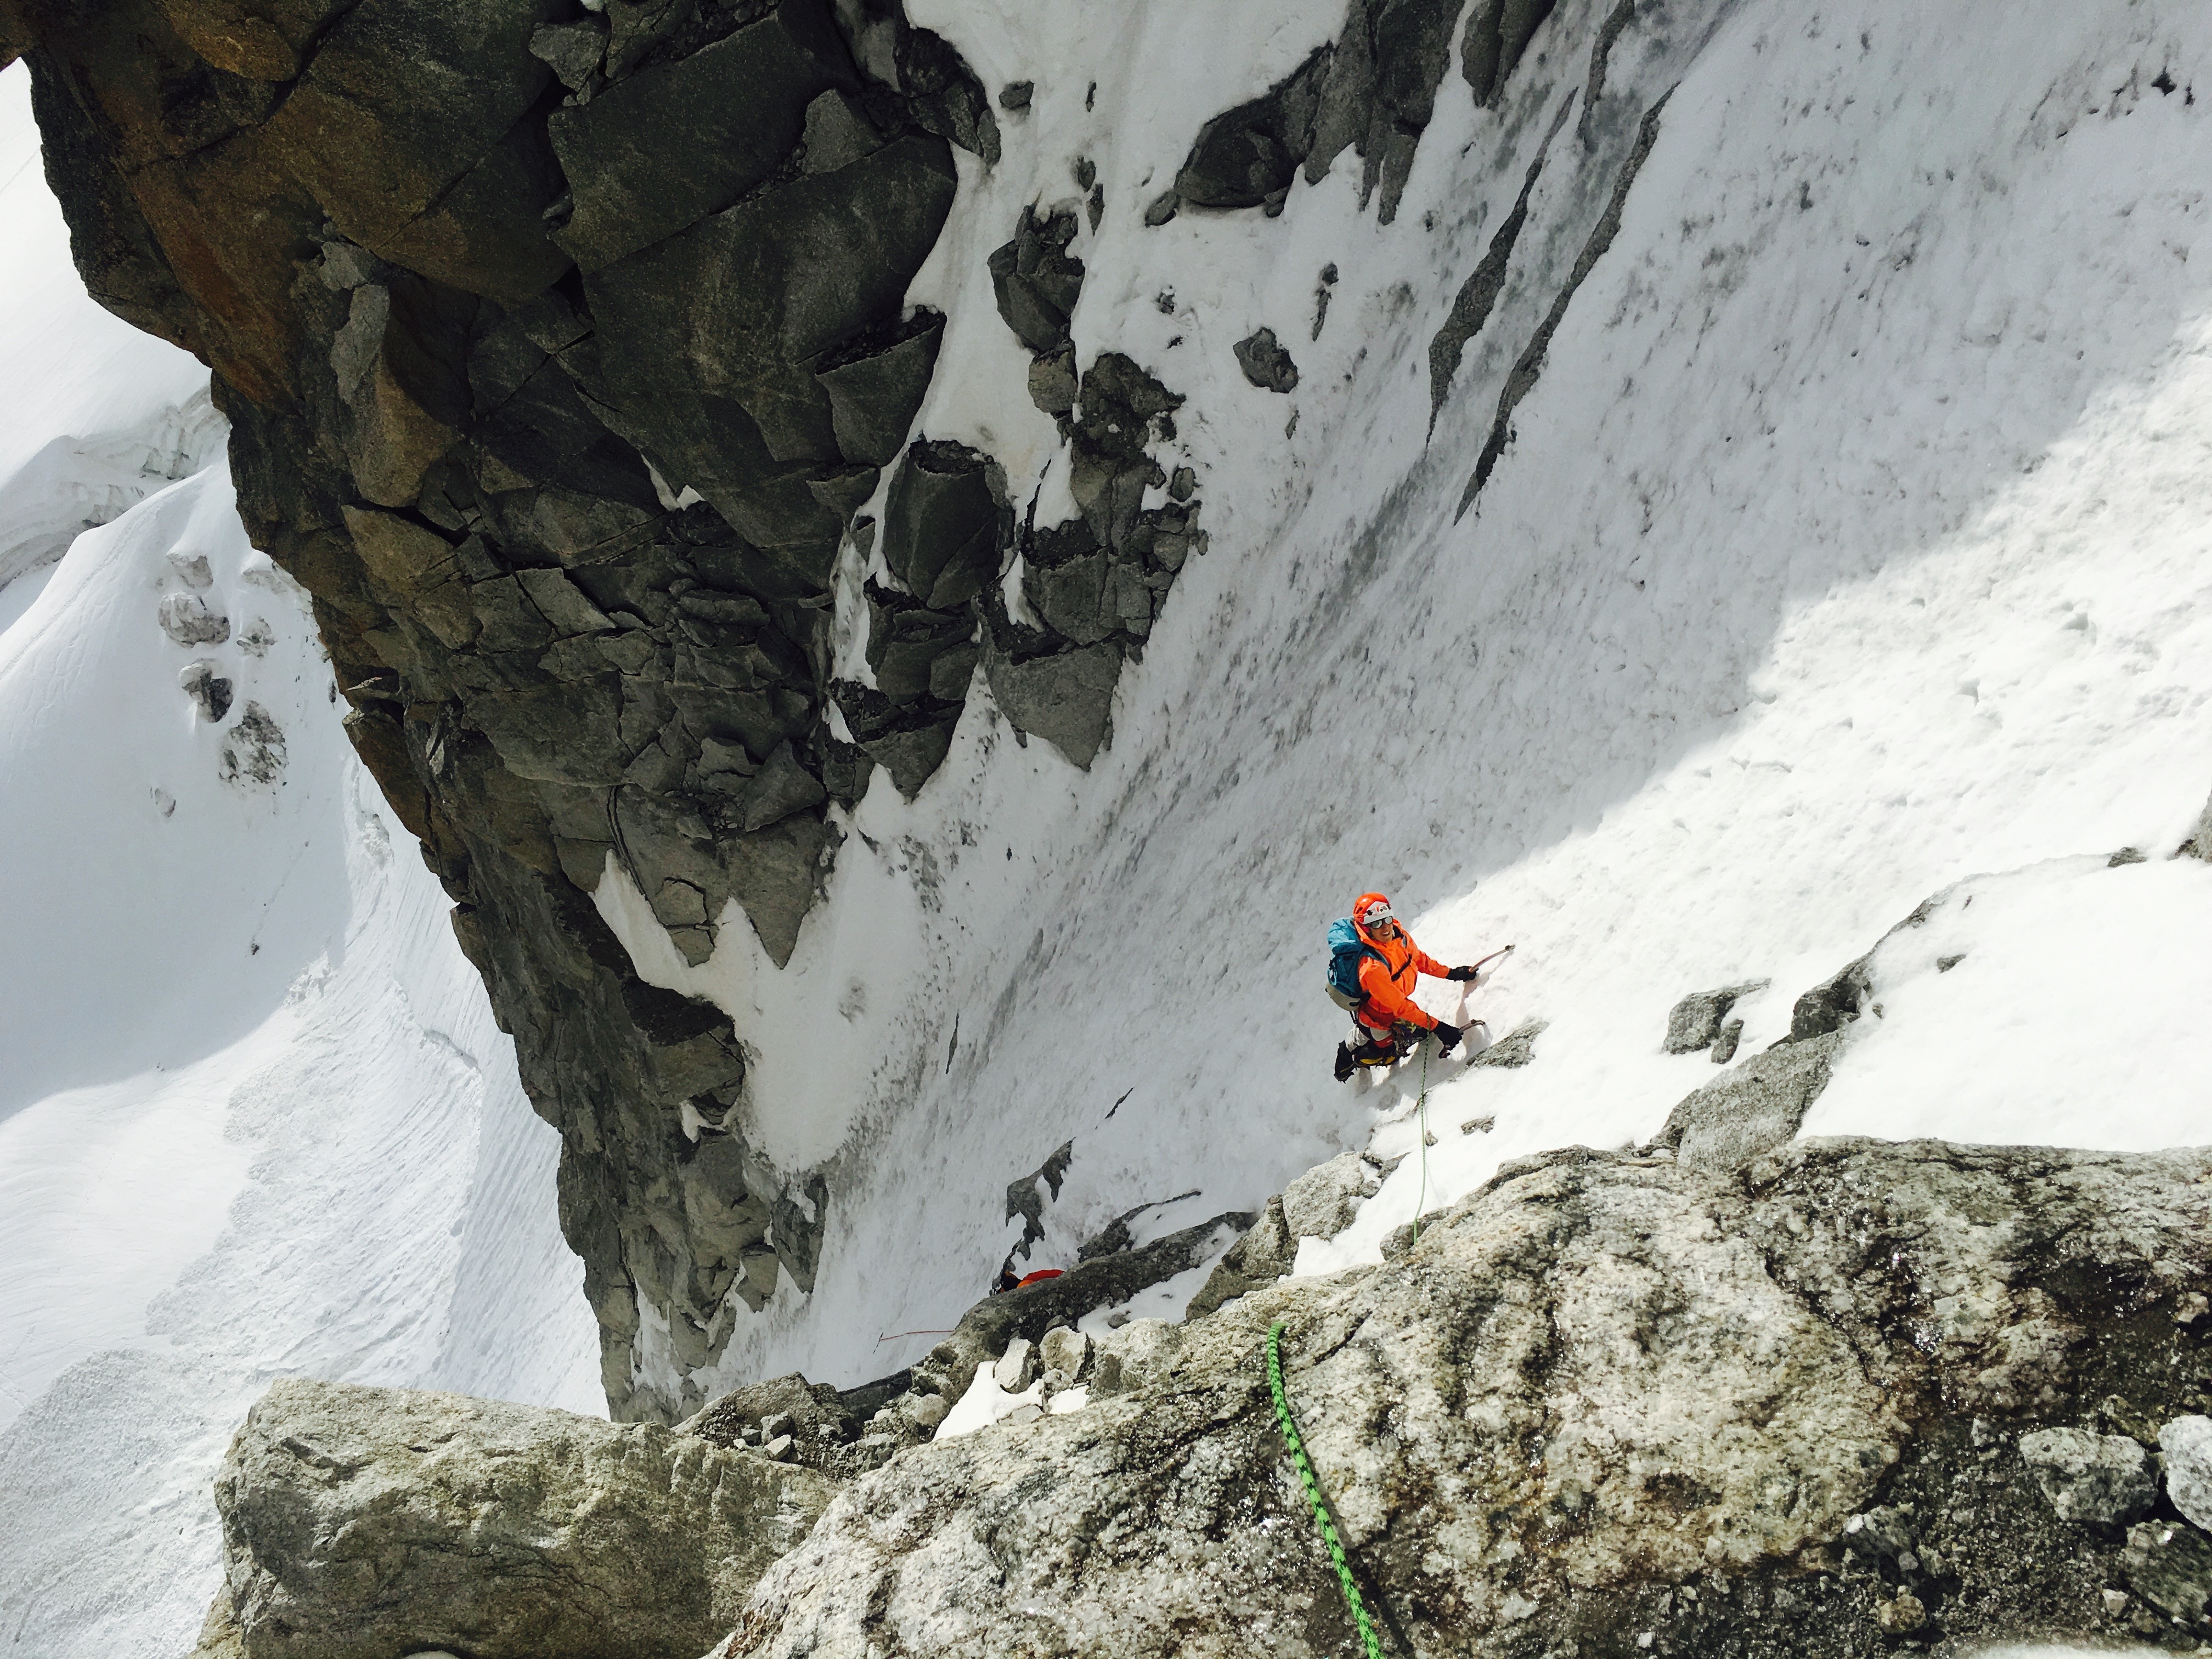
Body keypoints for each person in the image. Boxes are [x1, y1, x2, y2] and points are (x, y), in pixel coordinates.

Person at [1333, 892, 1485, 1081]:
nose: (1385, 927)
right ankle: (1351, 1056)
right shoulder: (1371, 967)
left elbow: (1419, 960)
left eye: (1386, 919)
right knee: (1387, 1052)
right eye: (1376, 924)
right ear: (1366, 928)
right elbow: (1401, 1007)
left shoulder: (1400, 936)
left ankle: (1363, 1042)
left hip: (1395, 1010)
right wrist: (1440, 1028)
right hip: (1377, 1018)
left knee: (1421, 1032)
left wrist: (1451, 973)